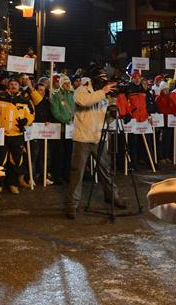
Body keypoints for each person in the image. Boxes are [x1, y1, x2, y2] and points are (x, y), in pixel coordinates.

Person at [65, 66, 127, 219]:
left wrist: (112, 114)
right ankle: (73, 205)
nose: (106, 81)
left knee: (106, 170)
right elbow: (83, 102)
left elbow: (105, 117)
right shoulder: (82, 90)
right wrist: (103, 92)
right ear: (95, 79)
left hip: (99, 138)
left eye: (106, 78)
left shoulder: (103, 95)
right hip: (82, 138)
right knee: (77, 172)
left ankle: (112, 196)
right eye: (103, 78)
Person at [0, 78, 36, 195]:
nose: (13, 86)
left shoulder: (25, 100)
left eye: (15, 84)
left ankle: (13, 184)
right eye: (11, 84)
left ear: (19, 86)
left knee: (16, 161)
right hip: (2, 135)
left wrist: (26, 120)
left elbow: (31, 114)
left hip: (17, 135)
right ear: (8, 85)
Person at [49, 74, 75, 183]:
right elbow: (55, 111)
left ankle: (67, 174)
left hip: (71, 130)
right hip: (60, 129)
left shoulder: (73, 95)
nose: (68, 85)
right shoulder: (55, 95)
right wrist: (66, 120)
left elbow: (76, 109)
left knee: (69, 153)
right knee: (59, 154)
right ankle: (57, 175)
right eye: (65, 83)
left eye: (69, 83)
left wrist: (75, 119)